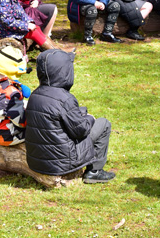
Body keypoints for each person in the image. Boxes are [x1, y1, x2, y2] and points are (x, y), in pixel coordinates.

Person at [25, 49, 116, 184]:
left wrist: (80, 112)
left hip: (37, 161)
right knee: (103, 124)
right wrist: (90, 118)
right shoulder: (65, 99)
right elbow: (81, 131)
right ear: (64, 71)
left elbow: (56, 117)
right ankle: (94, 171)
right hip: (63, 162)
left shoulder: (35, 94)